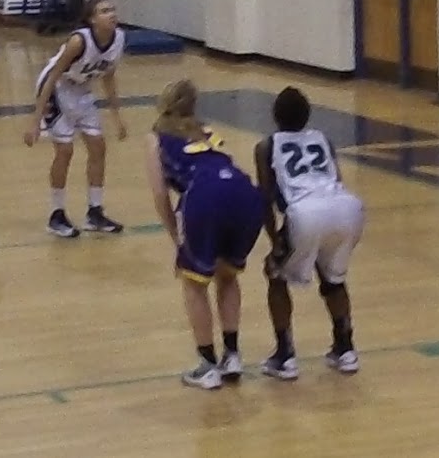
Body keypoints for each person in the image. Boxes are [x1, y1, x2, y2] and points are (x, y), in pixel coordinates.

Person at [142, 79, 263, 390]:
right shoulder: (205, 130)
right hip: (245, 192)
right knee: (227, 275)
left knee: (194, 283)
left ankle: (207, 365)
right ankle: (232, 355)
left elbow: (160, 195)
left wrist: (176, 238)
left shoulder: (155, 138)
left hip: (206, 196)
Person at [256, 87, 365, 379]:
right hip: (347, 207)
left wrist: (274, 239)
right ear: (307, 116)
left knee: (275, 273)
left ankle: (285, 355)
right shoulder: (323, 139)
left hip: (305, 212)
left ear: (275, 116)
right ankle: (345, 349)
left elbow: (265, 198)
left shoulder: (267, 145)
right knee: (333, 277)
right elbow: (335, 177)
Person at [25, 0, 129, 236]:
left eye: (113, 9)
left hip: (82, 90)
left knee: (98, 147)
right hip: (57, 88)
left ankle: (95, 212)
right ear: (92, 19)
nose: (112, 14)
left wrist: (117, 115)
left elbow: (109, 75)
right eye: (104, 11)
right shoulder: (78, 41)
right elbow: (52, 75)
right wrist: (35, 120)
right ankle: (56, 214)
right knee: (65, 150)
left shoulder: (119, 38)